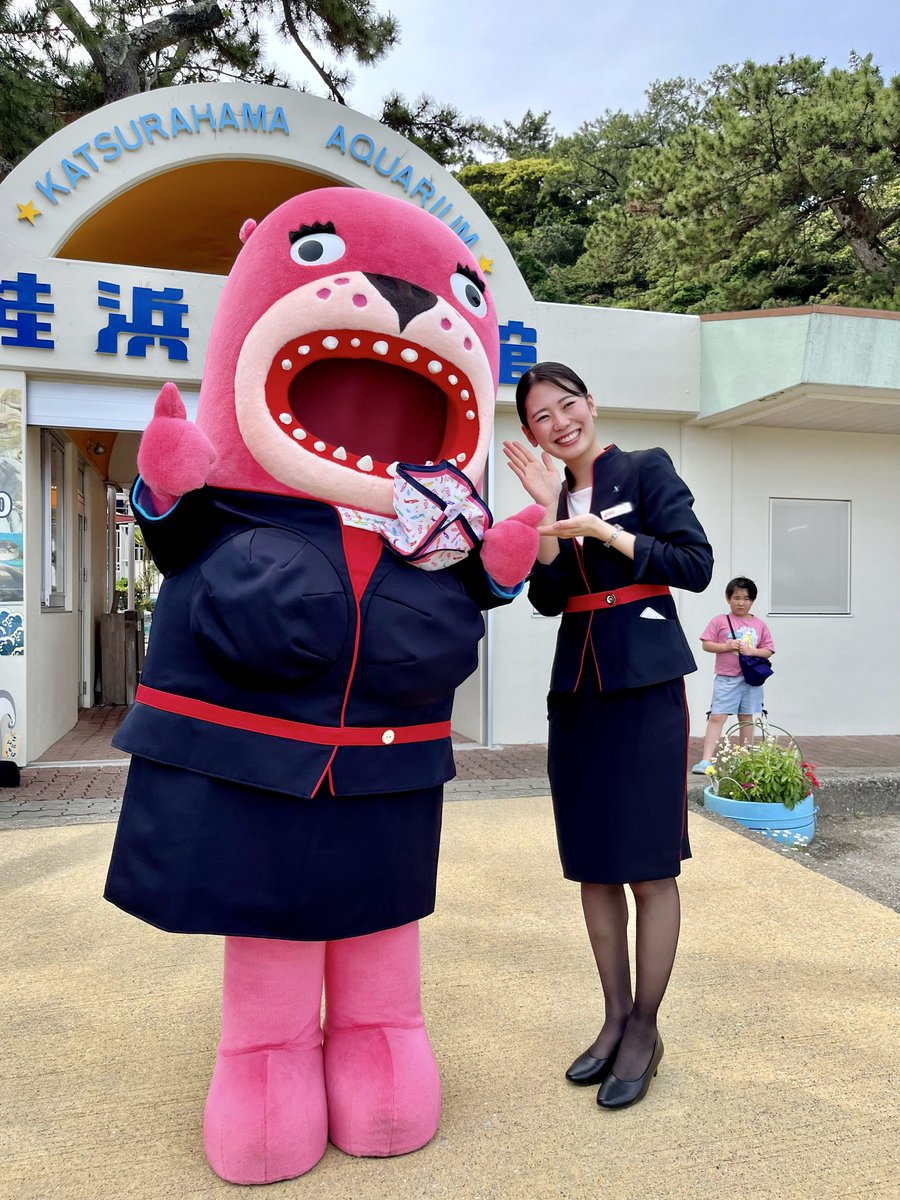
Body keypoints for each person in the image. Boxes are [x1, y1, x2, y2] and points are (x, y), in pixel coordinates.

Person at [503, 361, 713, 1111]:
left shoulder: (646, 469)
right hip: (580, 693)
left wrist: (609, 534)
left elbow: (695, 563)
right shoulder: (552, 494)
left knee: (650, 869)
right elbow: (551, 600)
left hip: (648, 688)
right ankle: (614, 1017)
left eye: (568, 407)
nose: (560, 424)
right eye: (541, 419)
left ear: (592, 404)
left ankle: (647, 1029)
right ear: (530, 434)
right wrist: (547, 524)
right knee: (594, 865)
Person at [691, 577, 775, 774]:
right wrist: (727, 646)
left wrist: (752, 651)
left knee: (746, 718)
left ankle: (744, 760)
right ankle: (706, 760)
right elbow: (706, 644)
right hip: (726, 678)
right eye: (736, 597)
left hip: (751, 680)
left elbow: (768, 650)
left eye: (746, 598)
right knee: (717, 716)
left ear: (752, 601)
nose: (741, 602)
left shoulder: (760, 625)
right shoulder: (720, 621)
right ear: (728, 598)